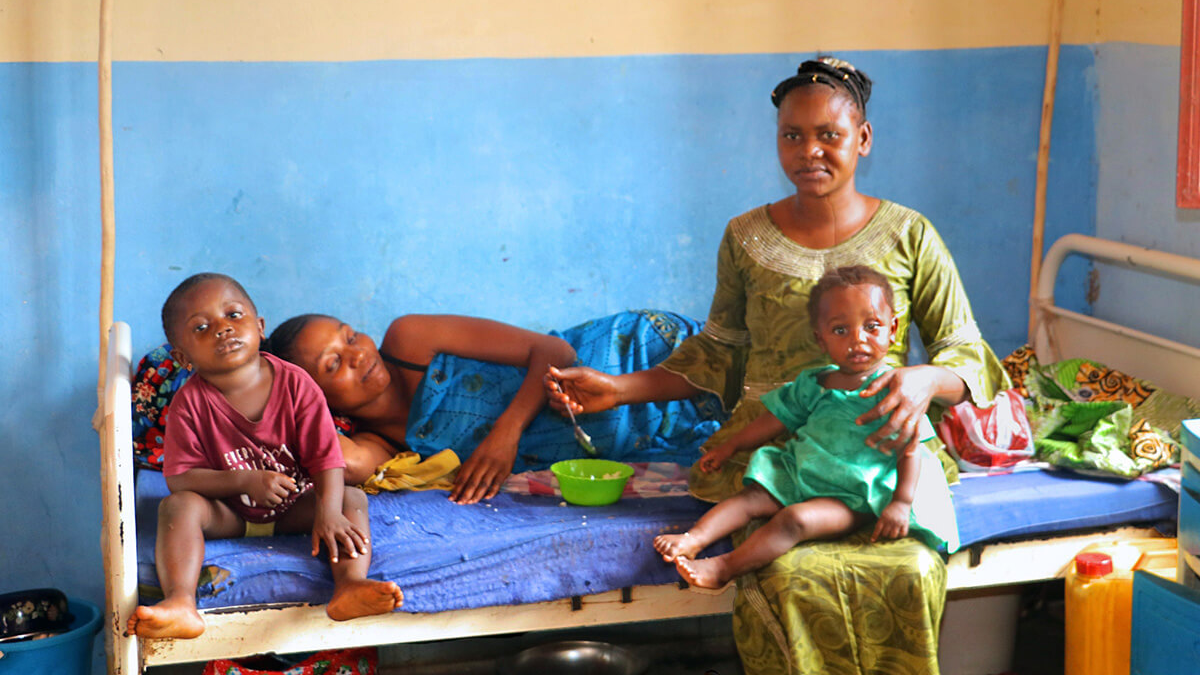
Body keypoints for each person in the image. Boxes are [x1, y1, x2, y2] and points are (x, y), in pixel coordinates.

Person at [545, 57, 1009, 673]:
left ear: (863, 140)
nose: (809, 151)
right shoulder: (746, 238)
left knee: (913, 568)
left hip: (882, 463)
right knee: (786, 570)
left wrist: (924, 379)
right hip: (776, 458)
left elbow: (966, 353)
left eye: (830, 135)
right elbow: (717, 352)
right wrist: (619, 389)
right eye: (793, 135)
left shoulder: (910, 235)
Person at [127, 273, 402, 640]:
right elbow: (181, 478)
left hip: (295, 506)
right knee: (176, 508)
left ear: (259, 327)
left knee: (350, 499)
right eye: (202, 327)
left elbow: (326, 457)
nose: (223, 330)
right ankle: (180, 602)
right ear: (183, 357)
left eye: (234, 315)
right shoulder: (189, 404)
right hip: (228, 512)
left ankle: (351, 585)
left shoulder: (297, 384)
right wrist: (242, 480)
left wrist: (328, 512)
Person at [654, 266, 958, 594]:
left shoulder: (896, 389)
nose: (858, 339)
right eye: (841, 330)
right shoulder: (814, 382)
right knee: (750, 497)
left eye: (872, 327)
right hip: (802, 475)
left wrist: (901, 502)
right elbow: (773, 421)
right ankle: (693, 539)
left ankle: (724, 567)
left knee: (795, 520)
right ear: (820, 338)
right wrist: (731, 446)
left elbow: (910, 448)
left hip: (852, 495)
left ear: (893, 329)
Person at [266, 309, 724, 505]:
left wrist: (505, 435)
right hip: (651, 431)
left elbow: (554, 350)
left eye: (350, 336)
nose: (358, 354)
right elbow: (331, 456)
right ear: (315, 397)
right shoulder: (381, 449)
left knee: (774, 380)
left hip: (635, 355)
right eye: (334, 364)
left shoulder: (408, 340)